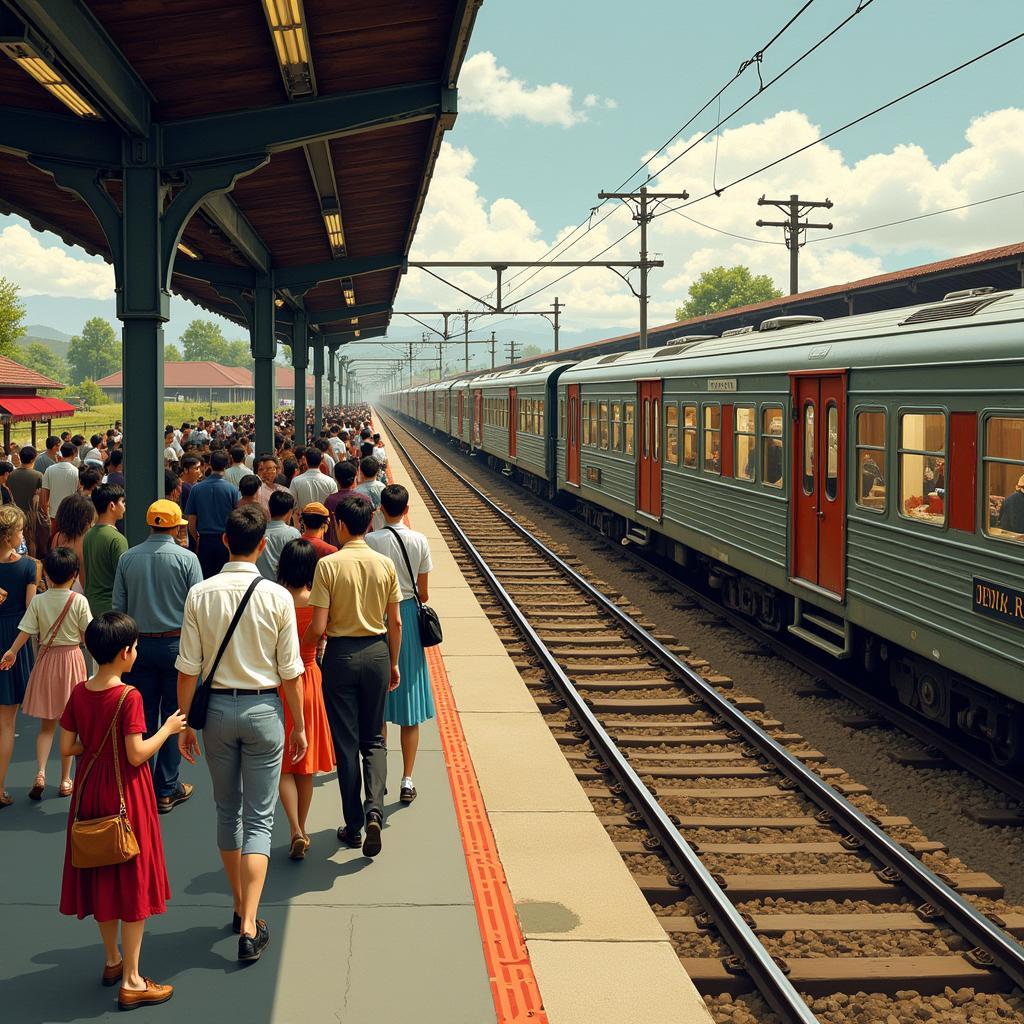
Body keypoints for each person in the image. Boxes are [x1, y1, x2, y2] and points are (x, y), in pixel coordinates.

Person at [175, 505, 306, 963]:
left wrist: (187, 721)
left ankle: (237, 904)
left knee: (226, 809)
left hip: (214, 716)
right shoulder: (278, 597)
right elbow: (291, 671)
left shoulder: (200, 594)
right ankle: (250, 923)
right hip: (264, 709)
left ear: (226, 542)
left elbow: (188, 668)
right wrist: (301, 725)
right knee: (260, 819)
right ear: (263, 545)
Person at [59, 612, 185, 1010]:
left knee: (101, 871)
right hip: (126, 796)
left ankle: (112, 960)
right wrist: (165, 730)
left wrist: (93, 747)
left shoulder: (80, 692)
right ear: (124, 652)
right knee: (132, 881)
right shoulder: (128, 697)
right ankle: (132, 979)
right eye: (133, 646)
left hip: (90, 792)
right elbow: (136, 754)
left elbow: (67, 747)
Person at [306, 497, 401, 857]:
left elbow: (317, 626)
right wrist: (393, 662)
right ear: (368, 525)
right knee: (374, 737)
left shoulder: (328, 566)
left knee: (346, 745)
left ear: (341, 526)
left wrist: (304, 649)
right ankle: (374, 808)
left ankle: (354, 825)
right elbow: (396, 621)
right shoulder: (384, 565)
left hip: (341, 656)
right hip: (377, 652)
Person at [113, 500, 203, 815]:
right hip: (177, 646)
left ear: (149, 523)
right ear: (177, 525)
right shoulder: (188, 559)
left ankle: (140, 786)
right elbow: (196, 610)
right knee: (176, 715)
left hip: (135, 648)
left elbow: (119, 608)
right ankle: (166, 788)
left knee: (142, 716)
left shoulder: (127, 558)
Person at [364, 484, 433, 804]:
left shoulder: (370, 541)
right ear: (407, 510)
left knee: (377, 705)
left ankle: (381, 775)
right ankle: (408, 778)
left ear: (380, 510)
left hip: (376, 617)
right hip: (407, 615)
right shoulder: (419, 540)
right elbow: (425, 593)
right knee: (410, 710)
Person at [6, 545, 91, 800]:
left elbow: (26, 631)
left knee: (46, 726)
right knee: (70, 726)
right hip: (72, 661)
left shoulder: (39, 601)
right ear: (74, 574)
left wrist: (11, 651)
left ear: (47, 577)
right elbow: (89, 634)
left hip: (46, 660)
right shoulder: (79, 601)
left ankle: (40, 772)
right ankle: (65, 780)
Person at [275, 540, 335, 859]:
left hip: (279, 683)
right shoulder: (316, 600)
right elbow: (323, 633)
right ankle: (303, 827)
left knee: (284, 762)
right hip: (310, 677)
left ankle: (294, 827)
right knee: (305, 762)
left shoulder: (275, 599)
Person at [0, 505, 36, 807]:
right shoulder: (27, 567)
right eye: (21, 530)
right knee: (6, 722)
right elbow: (30, 613)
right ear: (10, 535)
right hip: (13, 640)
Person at [185, 449, 240, 579]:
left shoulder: (196, 489)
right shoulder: (232, 490)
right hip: (226, 541)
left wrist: (197, 538)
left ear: (209, 464)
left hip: (205, 540)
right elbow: (237, 517)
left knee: (206, 578)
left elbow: (191, 521)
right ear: (226, 464)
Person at [83, 485, 127, 619]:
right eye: (122, 502)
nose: (124, 506)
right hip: (112, 608)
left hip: (91, 605)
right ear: (112, 505)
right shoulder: (117, 539)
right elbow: (123, 578)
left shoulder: (89, 534)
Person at [256, 490, 300, 581]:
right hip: (283, 586)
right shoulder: (293, 534)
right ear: (290, 511)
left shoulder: (258, 532)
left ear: (269, 507)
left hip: (259, 584)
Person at [9, 445, 44, 556]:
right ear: (34, 458)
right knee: (31, 541)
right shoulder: (38, 475)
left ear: (20, 457)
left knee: (13, 542)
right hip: (29, 514)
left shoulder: (11, 475)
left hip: (13, 513)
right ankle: (32, 562)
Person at [41, 442, 81, 527]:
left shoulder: (49, 470)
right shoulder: (76, 472)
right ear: (74, 453)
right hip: (71, 514)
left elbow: (44, 496)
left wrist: (45, 513)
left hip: (54, 515)